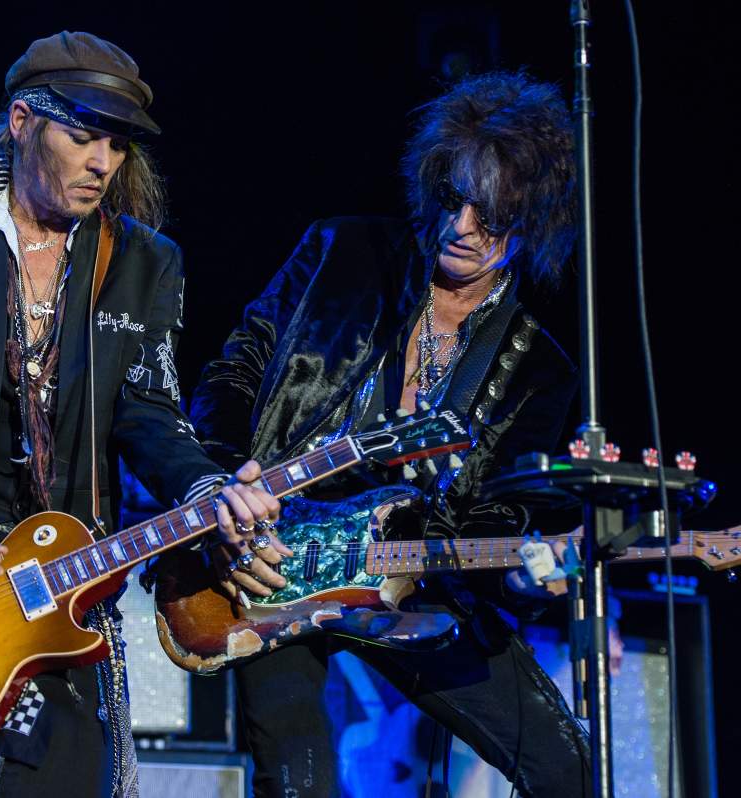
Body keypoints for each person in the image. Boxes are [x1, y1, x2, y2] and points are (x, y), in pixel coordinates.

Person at [0, 31, 280, 798]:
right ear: (22, 122)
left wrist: (208, 488)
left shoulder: (144, 262)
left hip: (63, 582)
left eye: (118, 144)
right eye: (83, 136)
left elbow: (151, 413)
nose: (103, 163)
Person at [188, 71, 592, 797]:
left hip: (414, 581)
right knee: (299, 782)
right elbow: (232, 374)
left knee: (568, 769)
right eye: (452, 198)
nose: (460, 226)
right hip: (274, 563)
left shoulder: (540, 369)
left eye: (491, 214)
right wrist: (224, 487)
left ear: (532, 221)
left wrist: (523, 576)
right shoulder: (340, 252)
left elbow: (500, 516)